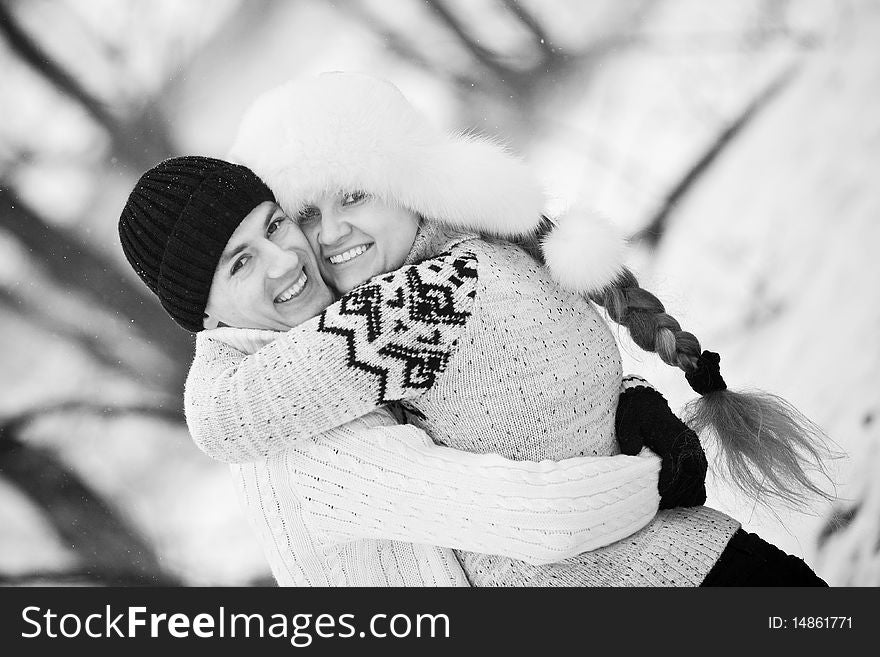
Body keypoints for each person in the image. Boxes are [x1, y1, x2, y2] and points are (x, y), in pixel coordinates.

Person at [120, 73, 830, 585]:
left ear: (404, 180)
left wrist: (631, 424)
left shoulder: (428, 293)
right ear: (204, 311)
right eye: (306, 211)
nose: (317, 241)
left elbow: (232, 412)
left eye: (351, 197)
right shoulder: (480, 249)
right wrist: (641, 449)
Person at [119, 156, 705, 586]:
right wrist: (650, 473)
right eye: (241, 263)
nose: (285, 260)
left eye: (274, 225)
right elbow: (550, 518)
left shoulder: (337, 340)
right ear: (204, 316)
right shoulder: (300, 436)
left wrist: (623, 401)